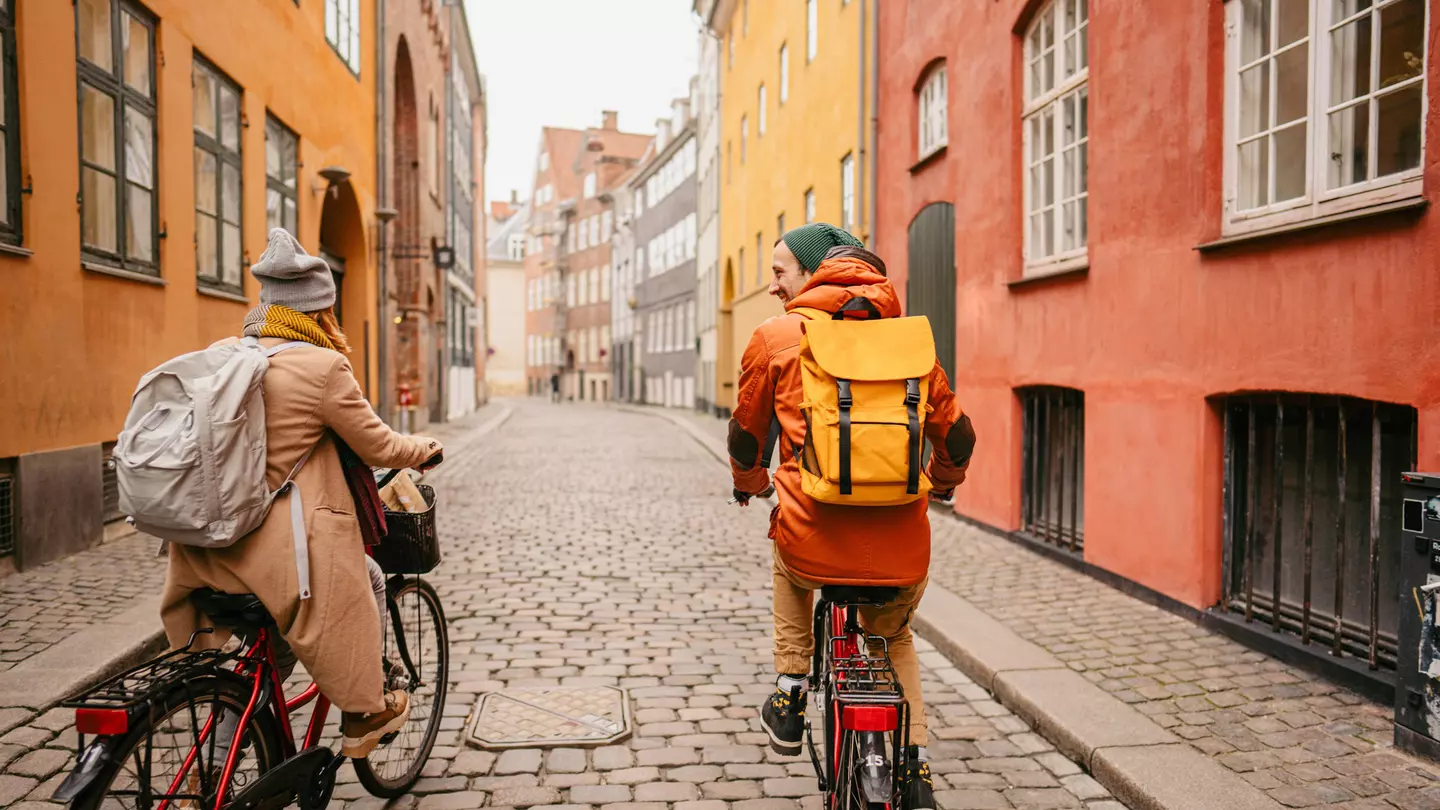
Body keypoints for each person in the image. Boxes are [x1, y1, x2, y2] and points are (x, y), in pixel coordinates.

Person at [159, 229, 444, 759]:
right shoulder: (321, 366)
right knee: (374, 578)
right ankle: (364, 709)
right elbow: (379, 444)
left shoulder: (224, 354)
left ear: (265, 303)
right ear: (321, 311)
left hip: (204, 552)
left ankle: (212, 765)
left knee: (270, 649)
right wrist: (424, 446)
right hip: (278, 558)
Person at [728, 223, 975, 810]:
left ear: (815, 275)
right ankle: (915, 770)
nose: (771, 287)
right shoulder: (911, 341)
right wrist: (941, 484)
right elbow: (958, 436)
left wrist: (751, 484)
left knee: (787, 554)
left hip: (812, 543)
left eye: (781, 271)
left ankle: (790, 689)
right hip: (899, 546)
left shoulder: (776, 337)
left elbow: (745, 435)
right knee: (894, 636)